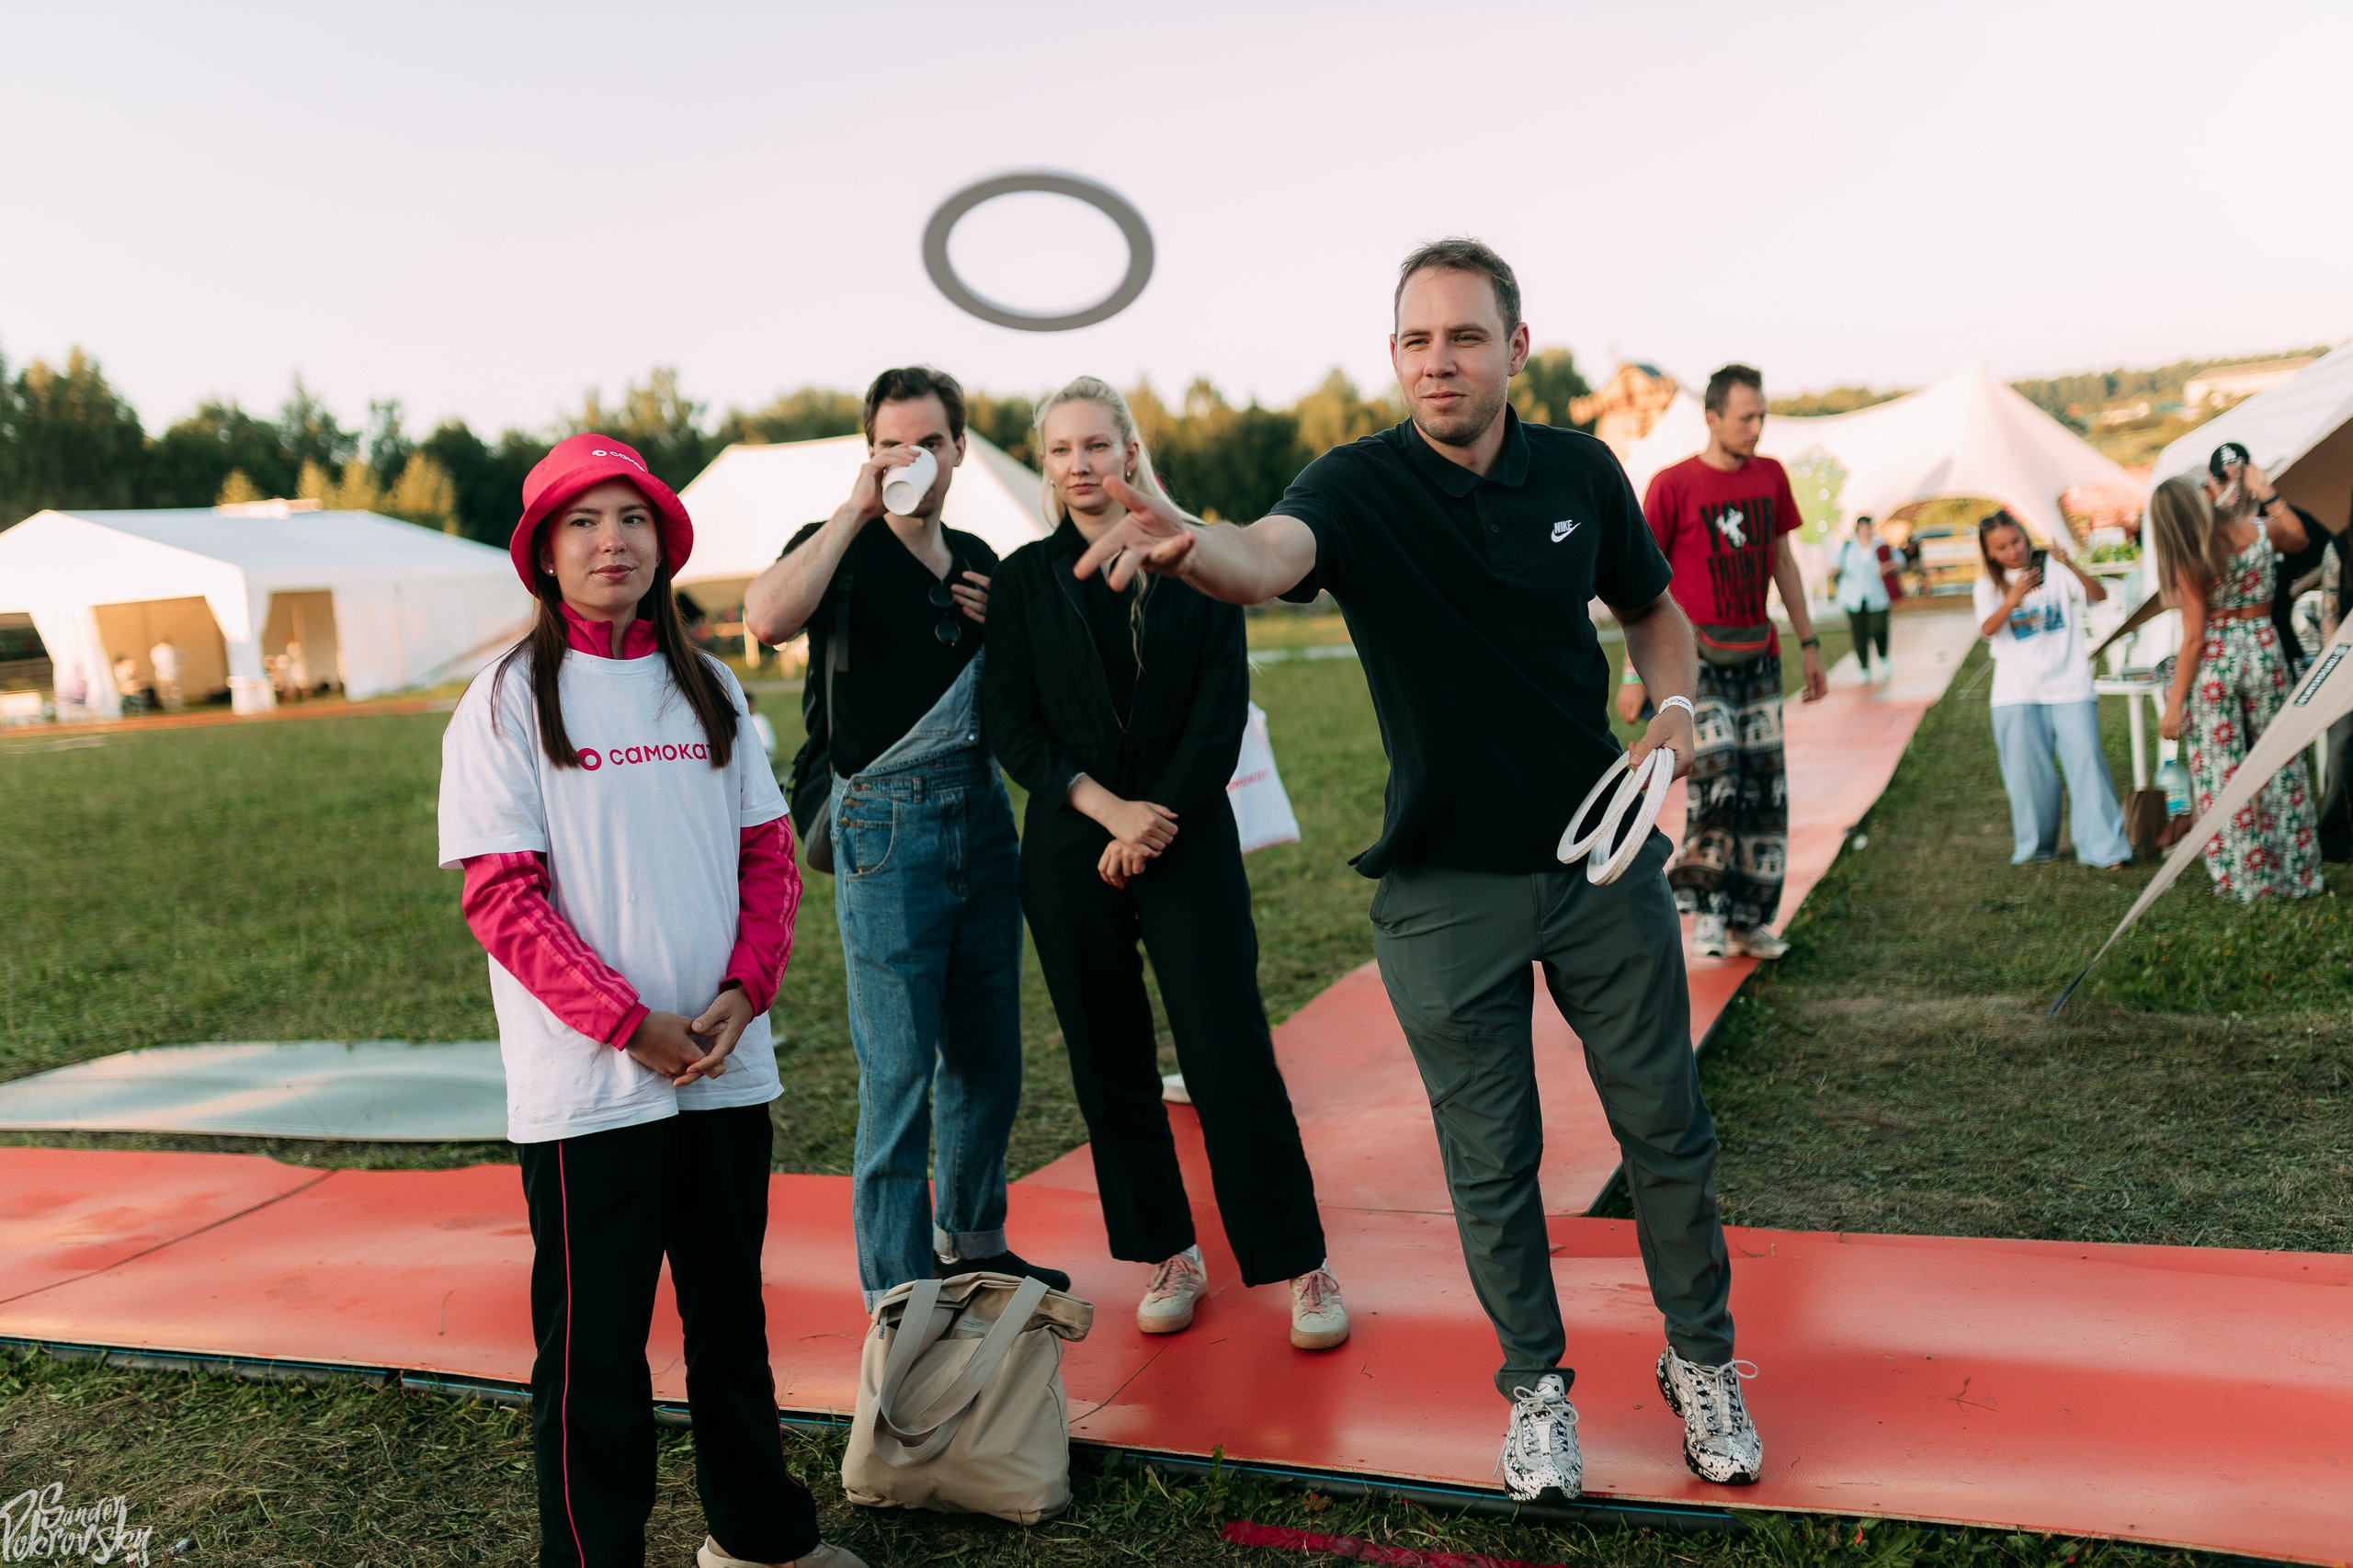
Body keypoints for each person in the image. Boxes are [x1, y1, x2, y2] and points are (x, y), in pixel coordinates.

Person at [1067, 239, 1762, 1501]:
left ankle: (1703, 1361)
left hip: (1600, 858)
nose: (1436, 361)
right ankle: (1536, 1392)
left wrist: (1672, 706)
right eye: (1414, 341)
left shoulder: (1582, 471)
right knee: (1492, 1158)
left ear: (1516, 349)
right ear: (1393, 356)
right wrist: (1190, 545)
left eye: (1462, 336)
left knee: (1667, 1126)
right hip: (1443, 888)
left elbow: (1653, 609)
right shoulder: (1357, 482)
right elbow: (1269, 555)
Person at [437, 434, 862, 1568]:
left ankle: (760, 1536)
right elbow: (504, 902)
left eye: (630, 517)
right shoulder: (500, 702)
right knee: (594, 1358)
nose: (610, 540)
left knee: (733, 1327)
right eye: (582, 521)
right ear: (543, 551)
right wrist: (631, 1023)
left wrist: (741, 990)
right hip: (591, 1092)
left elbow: (767, 854)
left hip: (724, 1064)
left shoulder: (709, 684)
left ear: (661, 541)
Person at [982, 376, 1347, 1351]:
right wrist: (1108, 812)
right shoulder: (1022, 581)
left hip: (1188, 834)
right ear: (1046, 462)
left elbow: (1220, 714)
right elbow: (1010, 723)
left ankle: (1300, 1257)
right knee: (1110, 1063)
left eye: (1097, 445)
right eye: (1060, 449)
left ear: (1131, 453)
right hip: (1070, 845)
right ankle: (1166, 1250)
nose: (1079, 465)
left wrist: (1154, 824)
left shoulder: (1199, 557)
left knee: (1228, 1052)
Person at [742, 366, 1065, 1310]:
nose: (910, 459)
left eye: (927, 441)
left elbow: (1034, 699)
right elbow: (765, 618)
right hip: (882, 826)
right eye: (890, 443)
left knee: (988, 1058)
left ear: (959, 448)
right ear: (869, 452)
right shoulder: (833, 545)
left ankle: (974, 1242)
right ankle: (896, 1289)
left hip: (980, 815)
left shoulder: (978, 556)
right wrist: (853, 508)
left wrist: (1009, 625)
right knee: (896, 1071)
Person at [1642, 365, 1829, 961]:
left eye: (1762, 416)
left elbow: (1785, 565)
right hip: (1699, 661)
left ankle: (1751, 918)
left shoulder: (1771, 477)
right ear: (1713, 417)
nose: (1757, 428)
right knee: (1717, 779)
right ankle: (1707, 910)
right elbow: (1640, 589)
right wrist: (1633, 676)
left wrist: (1809, 642)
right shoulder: (1672, 486)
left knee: (1764, 788)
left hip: (1761, 657)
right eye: (1746, 417)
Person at [2148, 462, 2323, 899]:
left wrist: (2173, 708)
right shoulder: (2261, 531)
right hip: (2265, 649)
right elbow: (2301, 538)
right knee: (2281, 763)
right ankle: (2297, 876)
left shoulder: (2192, 556)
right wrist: (2267, 491)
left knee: (2220, 774)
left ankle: (2243, 880)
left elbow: (2192, 639)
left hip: (2218, 662)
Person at [1971, 511, 2131, 869]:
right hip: (2016, 691)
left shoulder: (2055, 570)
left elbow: (2099, 594)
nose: (2012, 551)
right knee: (2028, 776)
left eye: (2016, 541)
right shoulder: (1987, 586)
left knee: (2088, 762)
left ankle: (2104, 847)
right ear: (1990, 553)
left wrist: (2070, 564)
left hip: (2070, 683)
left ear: (2027, 538)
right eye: (2001, 547)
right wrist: (2013, 597)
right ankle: (2038, 847)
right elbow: (1988, 629)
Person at [1833, 517, 1893, 684]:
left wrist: (1889, 567)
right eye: (1862, 526)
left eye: (1868, 526)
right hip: (1854, 596)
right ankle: (1864, 667)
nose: (1865, 529)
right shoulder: (1848, 547)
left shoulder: (1881, 544)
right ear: (1858, 528)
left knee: (1879, 628)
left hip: (1878, 594)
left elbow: (1899, 561)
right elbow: (1834, 565)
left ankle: (1883, 656)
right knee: (1859, 633)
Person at [149, 637, 184, 712]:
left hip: (161, 673)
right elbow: (180, 659)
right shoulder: (171, 649)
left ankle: (167, 706)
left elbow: (154, 661)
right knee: (174, 691)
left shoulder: (155, 650)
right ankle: (176, 705)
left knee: (164, 691)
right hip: (171, 673)